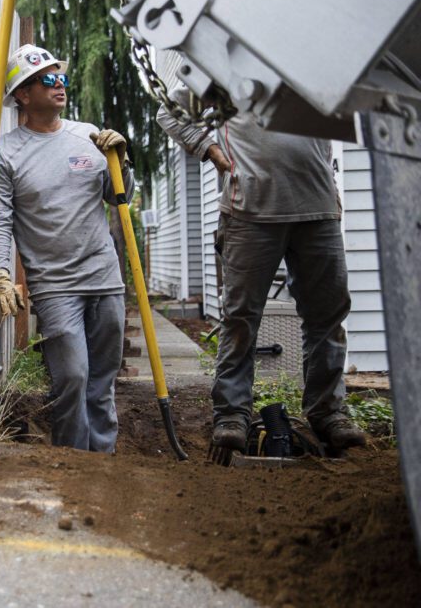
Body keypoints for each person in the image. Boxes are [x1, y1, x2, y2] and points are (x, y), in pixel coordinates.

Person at [156, 88, 366, 452]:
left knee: (328, 318)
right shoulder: (226, 67)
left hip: (317, 209)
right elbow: (169, 112)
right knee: (240, 318)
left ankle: (328, 412)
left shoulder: (317, 68)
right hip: (248, 213)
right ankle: (232, 414)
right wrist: (208, 148)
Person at [0, 44, 134, 452]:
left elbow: (117, 197)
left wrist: (120, 162)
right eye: (48, 79)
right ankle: (73, 465)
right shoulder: (8, 152)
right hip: (54, 283)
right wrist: (2, 273)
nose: (60, 85)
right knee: (72, 376)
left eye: (61, 78)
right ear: (23, 94)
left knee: (102, 379)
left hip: (104, 275)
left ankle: (102, 461)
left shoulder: (88, 135)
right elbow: (1, 222)